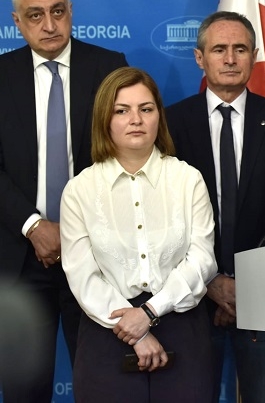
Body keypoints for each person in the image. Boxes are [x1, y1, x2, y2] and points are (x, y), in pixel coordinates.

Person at [0, 0, 127, 402]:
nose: (49, 25)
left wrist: (74, 232)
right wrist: (34, 226)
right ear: (17, 21)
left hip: (98, 253)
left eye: (58, 12)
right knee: (24, 388)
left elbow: (123, 157)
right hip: (21, 255)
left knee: (102, 384)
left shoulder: (109, 67)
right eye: (35, 15)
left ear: (70, 12)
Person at [59, 67, 217, 402]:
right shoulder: (79, 190)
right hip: (107, 330)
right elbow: (82, 275)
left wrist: (149, 313)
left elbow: (202, 260)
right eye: (122, 111)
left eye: (146, 109)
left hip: (181, 324)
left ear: (159, 115)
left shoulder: (187, 179)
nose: (136, 120)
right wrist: (136, 332)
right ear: (104, 119)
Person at [166, 11, 265, 403]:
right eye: (219, 49)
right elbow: (166, 214)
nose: (229, 59)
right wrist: (211, 282)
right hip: (190, 294)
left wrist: (246, 282)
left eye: (240, 49)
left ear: (254, 56)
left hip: (262, 292)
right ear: (199, 58)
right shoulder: (171, 121)